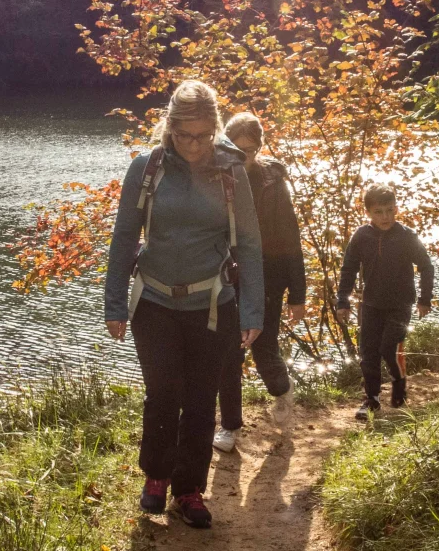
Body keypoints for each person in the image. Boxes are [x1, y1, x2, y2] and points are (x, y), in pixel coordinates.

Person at [103, 80, 264, 529]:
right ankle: (155, 476)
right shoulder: (147, 168)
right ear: (168, 128)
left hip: (213, 303)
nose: (192, 146)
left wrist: (253, 311)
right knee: (162, 393)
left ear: (214, 129)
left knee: (200, 397)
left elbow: (249, 244)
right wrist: (114, 302)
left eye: (201, 136)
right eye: (182, 135)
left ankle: (189, 488)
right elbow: (123, 239)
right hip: (153, 302)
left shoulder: (232, 171)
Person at [214, 112, 308, 453]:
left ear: (260, 148)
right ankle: (230, 426)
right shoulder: (215, 177)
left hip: (269, 276)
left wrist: (298, 294)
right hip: (228, 275)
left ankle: (282, 392)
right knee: (228, 351)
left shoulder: (272, 183)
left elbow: (291, 237)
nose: (243, 158)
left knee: (263, 344)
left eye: (250, 151)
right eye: (236, 151)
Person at [335, 184, 434, 420]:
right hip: (370, 304)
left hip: (400, 304)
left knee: (390, 349)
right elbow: (348, 269)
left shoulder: (407, 236)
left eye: (390, 210)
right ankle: (372, 398)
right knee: (368, 352)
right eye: (378, 212)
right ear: (368, 212)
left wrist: (425, 299)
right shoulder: (361, 236)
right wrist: (343, 301)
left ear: (396, 208)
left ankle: (399, 387)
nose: (385, 217)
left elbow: (426, 266)